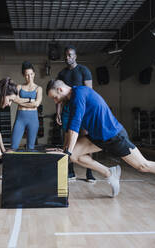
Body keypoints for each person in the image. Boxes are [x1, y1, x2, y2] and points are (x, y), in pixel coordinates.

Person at [46, 79, 155, 200]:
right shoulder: (71, 101)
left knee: (143, 165)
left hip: (114, 136)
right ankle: (109, 173)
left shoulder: (79, 94)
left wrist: (65, 153)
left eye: (54, 97)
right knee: (73, 155)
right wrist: (65, 150)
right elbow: (69, 131)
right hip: (97, 136)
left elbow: (74, 129)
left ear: (60, 89)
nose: (56, 101)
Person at [56, 45, 96, 183]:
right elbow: (58, 94)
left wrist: (88, 112)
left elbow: (89, 93)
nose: (68, 58)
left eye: (70, 55)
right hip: (67, 110)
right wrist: (58, 112)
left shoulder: (84, 70)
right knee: (67, 140)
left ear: (75, 56)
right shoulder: (62, 74)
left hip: (82, 109)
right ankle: (71, 171)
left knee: (86, 139)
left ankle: (89, 173)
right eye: (66, 55)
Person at [10, 61, 43, 150]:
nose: (29, 77)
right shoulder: (19, 87)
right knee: (13, 146)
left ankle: (29, 164)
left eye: (31, 74)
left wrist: (21, 102)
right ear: (24, 75)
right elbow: (15, 100)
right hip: (20, 119)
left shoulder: (38, 88)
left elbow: (37, 103)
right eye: (27, 75)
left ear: (34, 74)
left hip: (33, 119)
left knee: (30, 147)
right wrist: (29, 100)